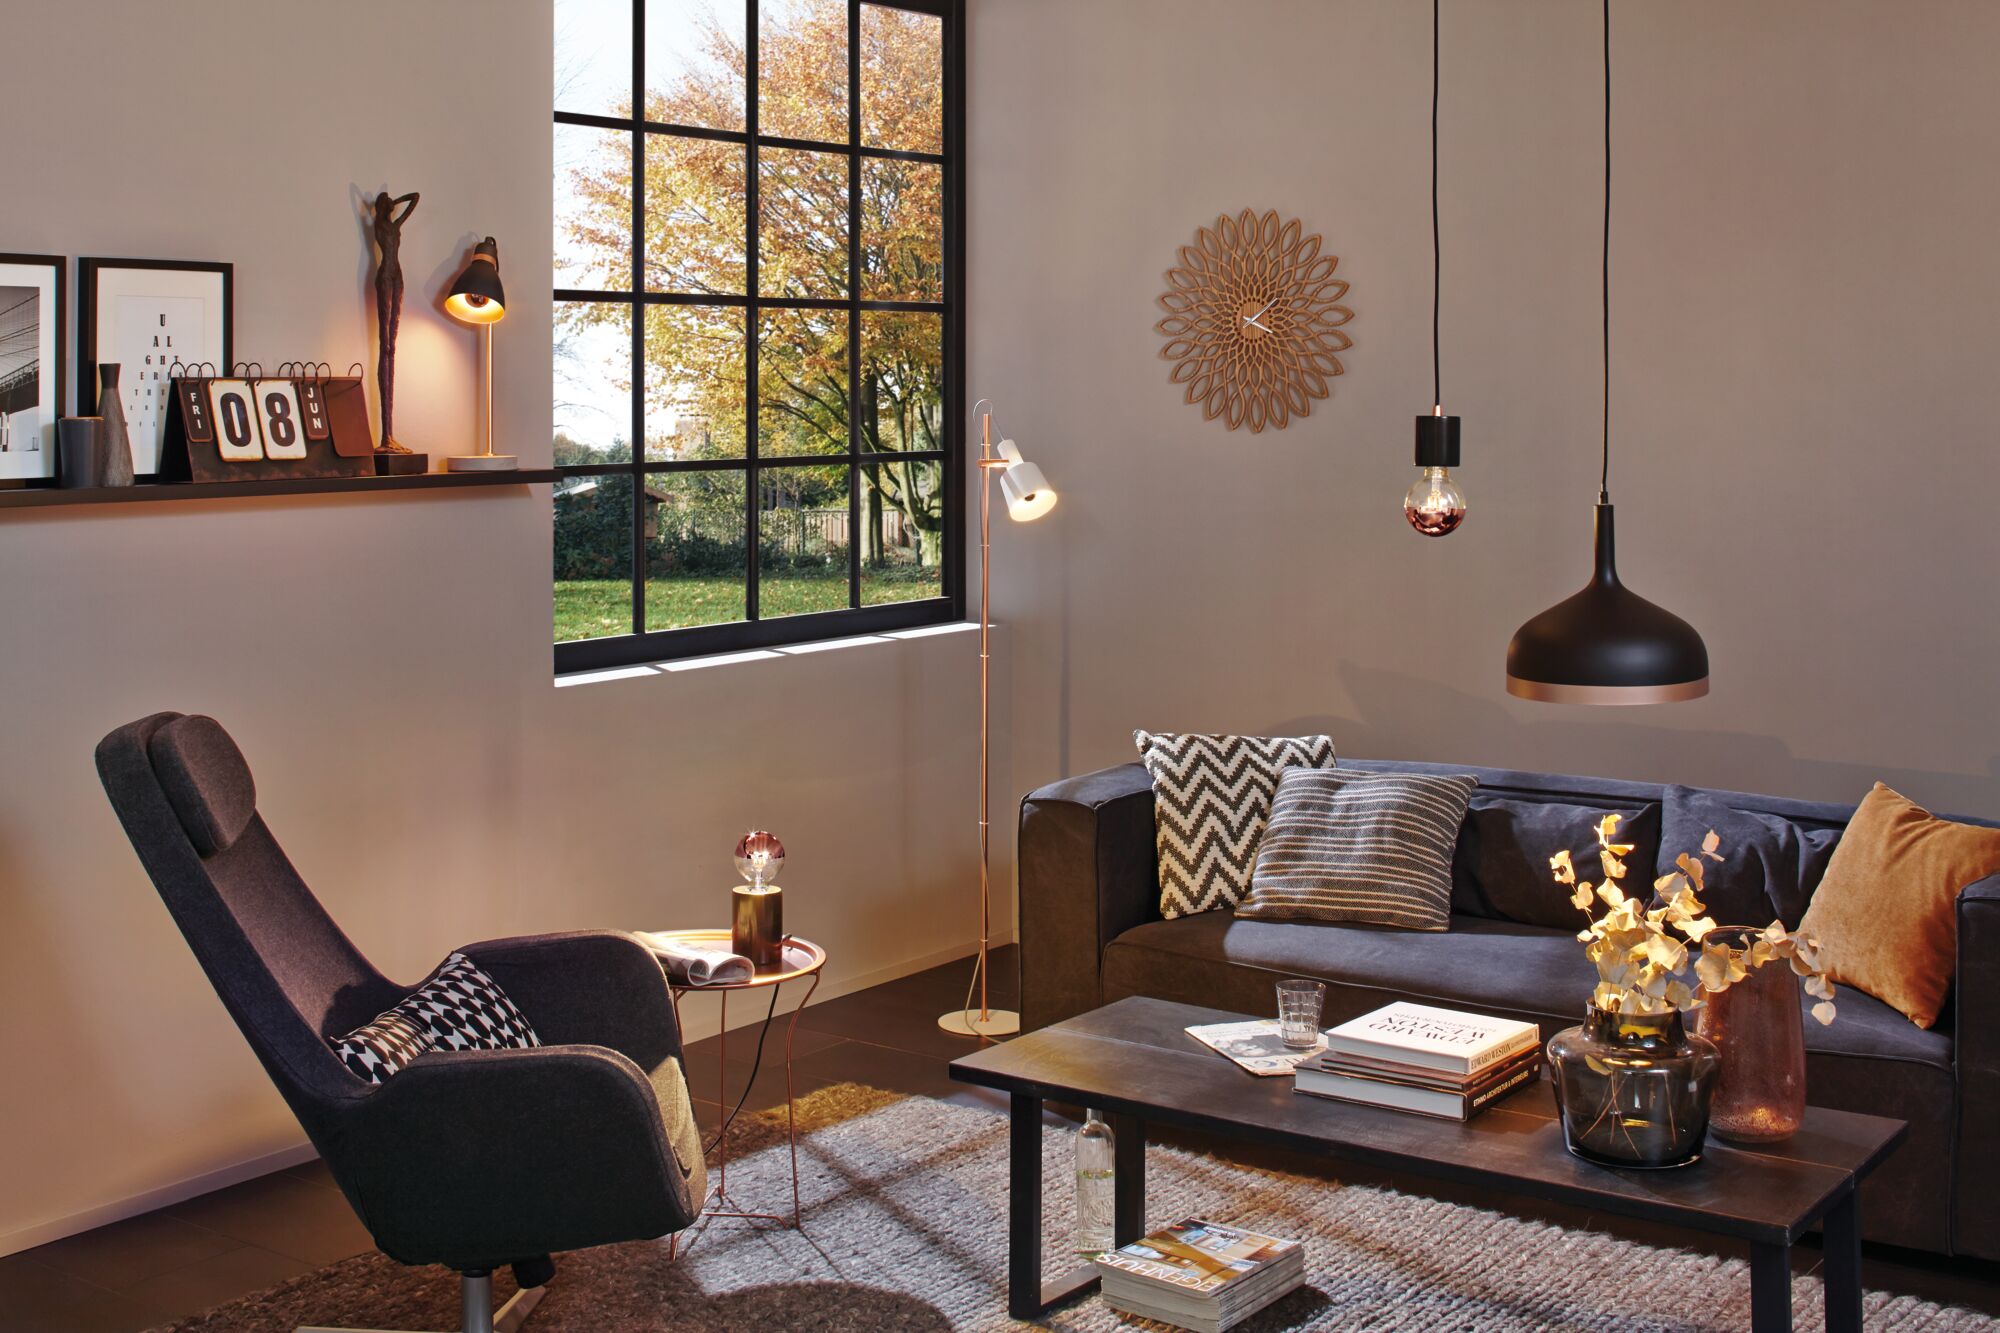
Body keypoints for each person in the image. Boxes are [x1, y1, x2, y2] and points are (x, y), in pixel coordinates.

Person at [370, 190, 420, 452]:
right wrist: (389, 204)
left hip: (398, 275)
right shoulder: (380, 224)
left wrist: (397, 202)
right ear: (382, 206)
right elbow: (411, 202)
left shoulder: (395, 223)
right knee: (384, 346)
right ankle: (385, 436)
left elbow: (416, 198)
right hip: (385, 277)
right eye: (387, 201)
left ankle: (390, 435)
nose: (392, 204)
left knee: (393, 347)